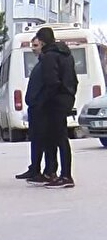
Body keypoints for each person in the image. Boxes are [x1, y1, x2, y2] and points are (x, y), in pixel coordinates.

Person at [34, 26, 78, 188]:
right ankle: (54, 172)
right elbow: (73, 79)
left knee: (56, 138)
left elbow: (51, 82)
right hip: (66, 98)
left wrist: (42, 102)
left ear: (42, 40)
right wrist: (70, 96)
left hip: (54, 102)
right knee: (58, 137)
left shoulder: (49, 56)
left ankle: (64, 175)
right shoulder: (66, 55)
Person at [17, 36, 54, 184]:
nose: (33, 48)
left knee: (45, 140)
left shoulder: (47, 62)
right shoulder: (40, 62)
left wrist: (40, 102)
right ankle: (34, 168)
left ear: (43, 44)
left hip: (42, 108)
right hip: (34, 107)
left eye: (36, 45)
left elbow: (49, 84)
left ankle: (48, 171)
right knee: (36, 140)